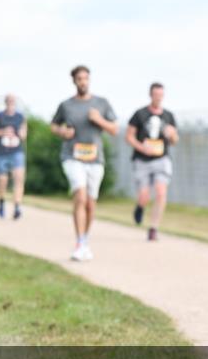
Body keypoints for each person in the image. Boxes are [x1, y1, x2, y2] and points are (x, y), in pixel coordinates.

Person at [50, 65, 118, 261]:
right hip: (72, 157)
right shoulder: (66, 105)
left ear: (89, 80)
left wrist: (99, 120)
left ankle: (85, 239)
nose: (83, 82)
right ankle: (79, 242)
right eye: (79, 79)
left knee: (90, 202)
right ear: (74, 81)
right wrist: (62, 132)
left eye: (86, 78)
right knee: (79, 196)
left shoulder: (101, 103)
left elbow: (114, 129)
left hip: (95, 159)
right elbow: (54, 125)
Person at [127, 83, 179, 241]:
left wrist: (172, 135)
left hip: (161, 159)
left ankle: (153, 228)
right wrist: (142, 148)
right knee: (144, 195)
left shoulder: (169, 116)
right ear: (151, 95)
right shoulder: (140, 114)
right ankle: (140, 207)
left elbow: (175, 140)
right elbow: (129, 136)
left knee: (161, 192)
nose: (158, 98)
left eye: (161, 95)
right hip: (142, 160)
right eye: (156, 95)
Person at [0, 94, 28, 220]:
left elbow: (24, 133)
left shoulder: (20, 117)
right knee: (3, 180)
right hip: (1, 153)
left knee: (19, 178)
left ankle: (17, 207)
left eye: (13, 101)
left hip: (16, 152)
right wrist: (2, 132)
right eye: (9, 101)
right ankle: (1, 201)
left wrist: (21, 134)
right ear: (5, 102)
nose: (11, 103)